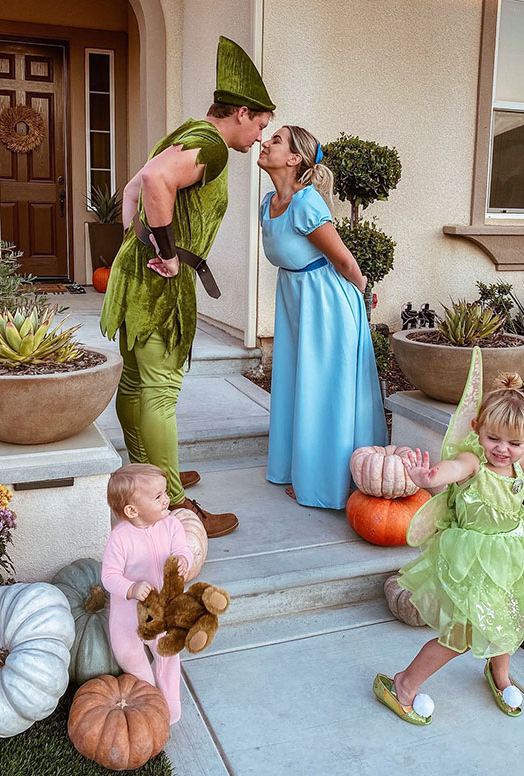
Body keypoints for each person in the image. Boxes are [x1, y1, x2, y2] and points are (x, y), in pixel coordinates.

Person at [100, 37, 276, 537]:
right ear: (241, 113)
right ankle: (172, 504)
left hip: (136, 273)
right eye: (261, 125)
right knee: (158, 394)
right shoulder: (215, 146)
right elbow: (155, 181)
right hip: (160, 279)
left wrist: (138, 243)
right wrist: (167, 251)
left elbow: (133, 188)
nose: (261, 137)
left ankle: (144, 475)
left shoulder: (188, 131)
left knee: (136, 383)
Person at [373, 350, 524, 725]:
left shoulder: (517, 464)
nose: (501, 448)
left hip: (513, 559)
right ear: (477, 428)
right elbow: (452, 467)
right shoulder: (475, 463)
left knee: (512, 619)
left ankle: (499, 675)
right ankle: (404, 684)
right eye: (493, 437)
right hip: (474, 564)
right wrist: (428, 478)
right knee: (460, 634)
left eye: (513, 443)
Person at [257, 125, 387, 509]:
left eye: (276, 140)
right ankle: (301, 469)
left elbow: (344, 260)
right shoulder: (269, 202)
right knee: (300, 384)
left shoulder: (306, 203)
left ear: (295, 159)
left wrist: (361, 292)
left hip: (326, 304)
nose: (265, 143)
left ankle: (324, 481)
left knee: (324, 390)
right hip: (297, 300)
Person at [101, 464, 194, 724]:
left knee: (167, 656)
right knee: (132, 659)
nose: (166, 499)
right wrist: (130, 588)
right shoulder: (120, 538)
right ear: (132, 510)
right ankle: (150, 700)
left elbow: (183, 550)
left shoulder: (172, 525)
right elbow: (108, 576)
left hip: (160, 612)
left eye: (165, 492)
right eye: (158, 496)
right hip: (127, 617)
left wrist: (183, 560)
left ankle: (170, 707)